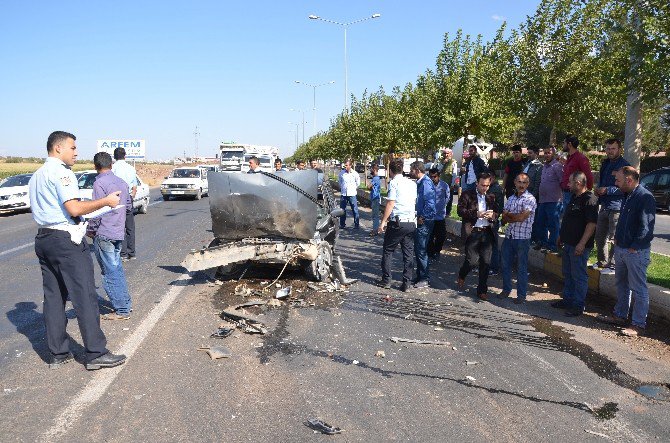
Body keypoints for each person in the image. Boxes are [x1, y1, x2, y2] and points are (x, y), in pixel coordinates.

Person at [28, 131, 126, 370]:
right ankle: (95, 353)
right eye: (72, 148)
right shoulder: (61, 173)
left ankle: (58, 353)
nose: (76, 152)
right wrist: (106, 202)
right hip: (65, 241)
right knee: (84, 296)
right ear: (58, 148)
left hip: (44, 238)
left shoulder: (37, 175)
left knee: (53, 298)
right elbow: (73, 208)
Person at [598, 167, 655, 337]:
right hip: (622, 248)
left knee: (638, 289)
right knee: (622, 284)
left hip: (635, 251)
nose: (616, 184)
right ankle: (620, 315)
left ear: (629, 180)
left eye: (618, 181)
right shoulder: (627, 195)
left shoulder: (645, 197)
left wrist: (635, 246)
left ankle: (638, 324)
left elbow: (646, 227)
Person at [87, 152, 133, 320]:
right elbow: (128, 207)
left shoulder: (99, 183)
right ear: (111, 165)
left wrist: (91, 230)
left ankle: (122, 310)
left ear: (95, 166)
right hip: (117, 232)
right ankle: (125, 304)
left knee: (109, 272)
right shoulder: (121, 182)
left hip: (104, 233)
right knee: (117, 268)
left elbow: (97, 211)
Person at [552, 171, 598, 317]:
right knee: (568, 273)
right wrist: (561, 235)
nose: (568, 184)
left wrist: (582, 244)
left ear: (578, 183)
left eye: (570, 182)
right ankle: (568, 300)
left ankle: (578, 305)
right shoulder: (574, 197)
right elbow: (568, 219)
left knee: (579, 276)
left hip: (579, 246)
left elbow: (591, 224)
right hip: (568, 243)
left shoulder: (590, 199)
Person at [376, 159, 417, 292]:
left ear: (390, 171)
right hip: (410, 222)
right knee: (408, 254)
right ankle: (406, 283)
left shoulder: (394, 183)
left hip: (397, 223)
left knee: (388, 251)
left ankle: (386, 280)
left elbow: (390, 203)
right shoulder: (412, 183)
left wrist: (383, 222)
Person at [456, 172, 498, 300]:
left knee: (485, 262)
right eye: (482, 185)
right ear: (477, 184)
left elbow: (497, 213)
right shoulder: (467, 195)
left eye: (487, 185)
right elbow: (460, 211)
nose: (484, 188)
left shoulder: (491, 196)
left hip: (487, 232)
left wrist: (493, 216)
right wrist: (476, 213)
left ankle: (482, 290)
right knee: (472, 261)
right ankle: (462, 274)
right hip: (473, 231)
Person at [498, 173, 537, 304]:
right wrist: (509, 216)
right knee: (505, 265)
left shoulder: (530, 199)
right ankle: (506, 290)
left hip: (522, 238)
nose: (521, 185)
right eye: (519, 182)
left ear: (528, 184)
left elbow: (522, 217)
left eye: (524, 183)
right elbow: (503, 218)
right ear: (514, 182)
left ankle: (521, 295)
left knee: (522, 268)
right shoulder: (511, 198)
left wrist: (509, 215)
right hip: (509, 236)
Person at [593, 138, 629, 272]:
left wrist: (607, 190)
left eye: (613, 148)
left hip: (617, 207)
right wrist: (597, 190)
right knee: (599, 236)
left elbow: (625, 187)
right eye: (607, 148)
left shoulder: (624, 166)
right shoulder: (606, 163)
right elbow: (601, 181)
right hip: (604, 205)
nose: (610, 151)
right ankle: (602, 261)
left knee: (615, 238)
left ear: (619, 149)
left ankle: (613, 265)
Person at [411, 161, 436, 288]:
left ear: (416, 169)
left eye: (412, 169)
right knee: (419, 249)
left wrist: (422, 217)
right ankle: (420, 275)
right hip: (422, 219)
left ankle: (424, 278)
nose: (410, 172)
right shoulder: (421, 182)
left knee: (421, 250)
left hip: (425, 221)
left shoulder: (426, 183)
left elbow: (430, 204)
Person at [536, 146, 564, 252]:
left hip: (554, 201)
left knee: (553, 225)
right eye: (545, 153)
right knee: (541, 223)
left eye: (549, 153)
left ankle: (553, 245)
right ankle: (543, 243)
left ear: (553, 154)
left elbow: (562, 182)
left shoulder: (557, 166)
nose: (547, 155)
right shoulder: (544, 166)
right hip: (543, 200)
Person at [112, 147, 138, 261]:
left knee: (119, 226)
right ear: (125, 156)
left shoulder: (112, 168)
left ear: (114, 156)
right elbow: (134, 186)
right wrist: (131, 196)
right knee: (130, 226)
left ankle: (123, 254)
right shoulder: (131, 168)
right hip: (128, 198)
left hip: (117, 199)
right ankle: (131, 253)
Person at [560, 134, 593, 209]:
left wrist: (586, 192)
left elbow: (588, 176)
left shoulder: (581, 158)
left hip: (575, 194)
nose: (563, 145)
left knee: (574, 219)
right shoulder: (569, 158)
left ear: (569, 144)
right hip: (566, 193)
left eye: (564, 142)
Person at [427, 167, 450, 260]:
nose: (433, 179)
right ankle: (431, 253)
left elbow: (448, 198)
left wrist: (442, 206)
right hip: (429, 216)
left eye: (435, 176)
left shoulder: (444, 186)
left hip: (440, 216)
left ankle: (437, 251)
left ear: (438, 176)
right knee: (429, 236)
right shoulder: (427, 185)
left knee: (441, 236)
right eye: (431, 176)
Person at [487, 169, 505, 275]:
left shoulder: (496, 189)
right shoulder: (491, 188)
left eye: (489, 178)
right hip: (487, 219)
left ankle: (494, 267)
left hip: (492, 220)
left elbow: (499, 207)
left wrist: (494, 216)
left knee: (493, 245)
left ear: (493, 178)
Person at [338, 159, 360, 228]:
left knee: (355, 210)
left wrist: (353, 188)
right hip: (344, 194)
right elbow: (340, 182)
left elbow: (358, 183)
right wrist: (343, 188)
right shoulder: (342, 173)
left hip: (352, 194)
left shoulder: (355, 173)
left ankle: (356, 224)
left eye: (347, 165)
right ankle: (342, 224)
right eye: (345, 165)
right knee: (342, 210)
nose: (346, 167)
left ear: (350, 165)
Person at [439, 148, 458, 217]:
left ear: (451, 154)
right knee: (440, 198)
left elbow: (454, 174)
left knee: (449, 199)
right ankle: (440, 211)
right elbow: (438, 170)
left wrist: (452, 185)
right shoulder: (440, 161)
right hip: (441, 183)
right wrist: (443, 163)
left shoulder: (453, 162)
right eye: (445, 153)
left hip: (449, 183)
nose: (446, 155)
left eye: (448, 153)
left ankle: (447, 213)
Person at [369, 164, 382, 236]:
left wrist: (370, 187)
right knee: (375, 215)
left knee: (375, 216)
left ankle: (375, 230)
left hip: (375, 198)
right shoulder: (377, 178)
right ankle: (375, 229)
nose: (370, 170)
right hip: (375, 198)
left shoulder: (375, 178)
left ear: (374, 169)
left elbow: (369, 186)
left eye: (371, 169)